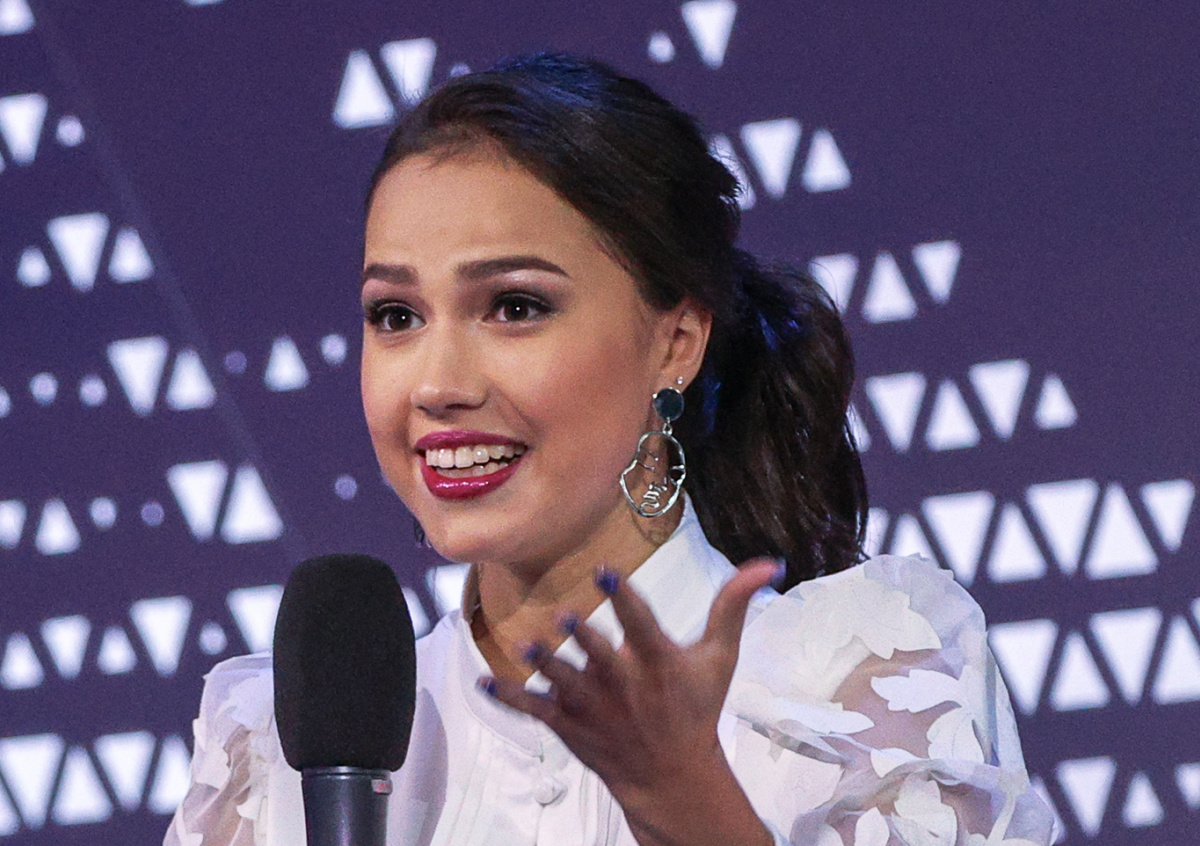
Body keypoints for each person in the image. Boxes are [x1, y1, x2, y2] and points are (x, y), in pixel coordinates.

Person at [165, 53, 1054, 846]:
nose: (436, 384)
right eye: (396, 316)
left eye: (514, 306)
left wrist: (691, 808)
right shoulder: (276, 760)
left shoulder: (860, 683)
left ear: (676, 343)